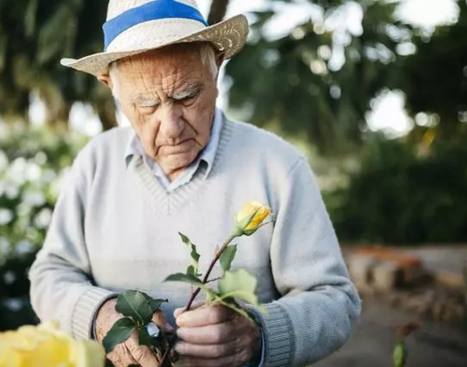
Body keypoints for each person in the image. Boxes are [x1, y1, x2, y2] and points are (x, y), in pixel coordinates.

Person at [29, 1, 361, 366]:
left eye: (187, 95)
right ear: (111, 86)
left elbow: (335, 301)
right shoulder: (94, 164)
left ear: (216, 68)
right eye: (146, 104)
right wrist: (99, 316)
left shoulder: (278, 166)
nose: (171, 127)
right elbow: (50, 274)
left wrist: (258, 334)